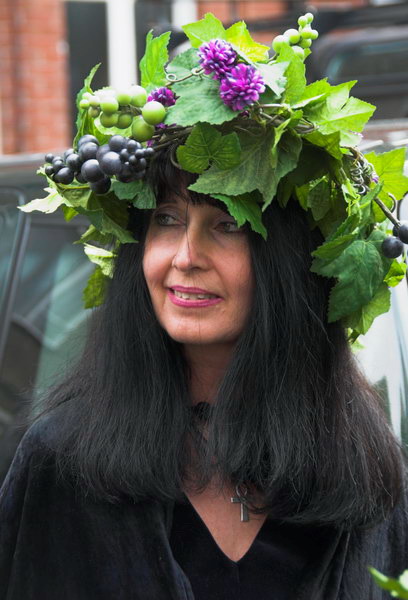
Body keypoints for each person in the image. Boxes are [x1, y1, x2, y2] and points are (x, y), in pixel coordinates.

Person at [1, 11, 408, 600]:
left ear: (289, 260)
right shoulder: (63, 463)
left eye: (226, 224)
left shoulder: (364, 472)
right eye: (166, 220)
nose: (185, 256)